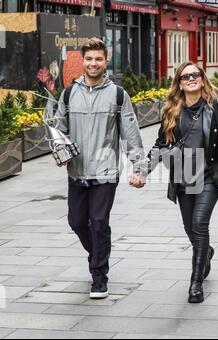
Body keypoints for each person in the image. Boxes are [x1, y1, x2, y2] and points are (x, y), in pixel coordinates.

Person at [142, 62, 218, 303]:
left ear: (202, 79)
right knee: (190, 228)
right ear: (179, 83)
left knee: (199, 225)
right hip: (183, 175)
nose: (191, 79)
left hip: (210, 175)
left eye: (195, 75)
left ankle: (196, 284)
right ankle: (205, 252)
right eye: (185, 76)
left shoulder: (217, 106)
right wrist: (143, 171)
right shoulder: (171, 110)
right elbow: (160, 145)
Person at [55, 38, 146, 299]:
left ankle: (99, 275)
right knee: (75, 221)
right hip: (77, 171)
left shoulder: (118, 95)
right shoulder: (69, 93)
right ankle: (97, 254)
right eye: (89, 59)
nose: (93, 63)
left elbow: (131, 134)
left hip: (105, 172)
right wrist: (60, 151)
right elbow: (60, 131)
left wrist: (138, 168)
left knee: (98, 221)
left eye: (98, 59)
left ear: (106, 61)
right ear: (82, 61)